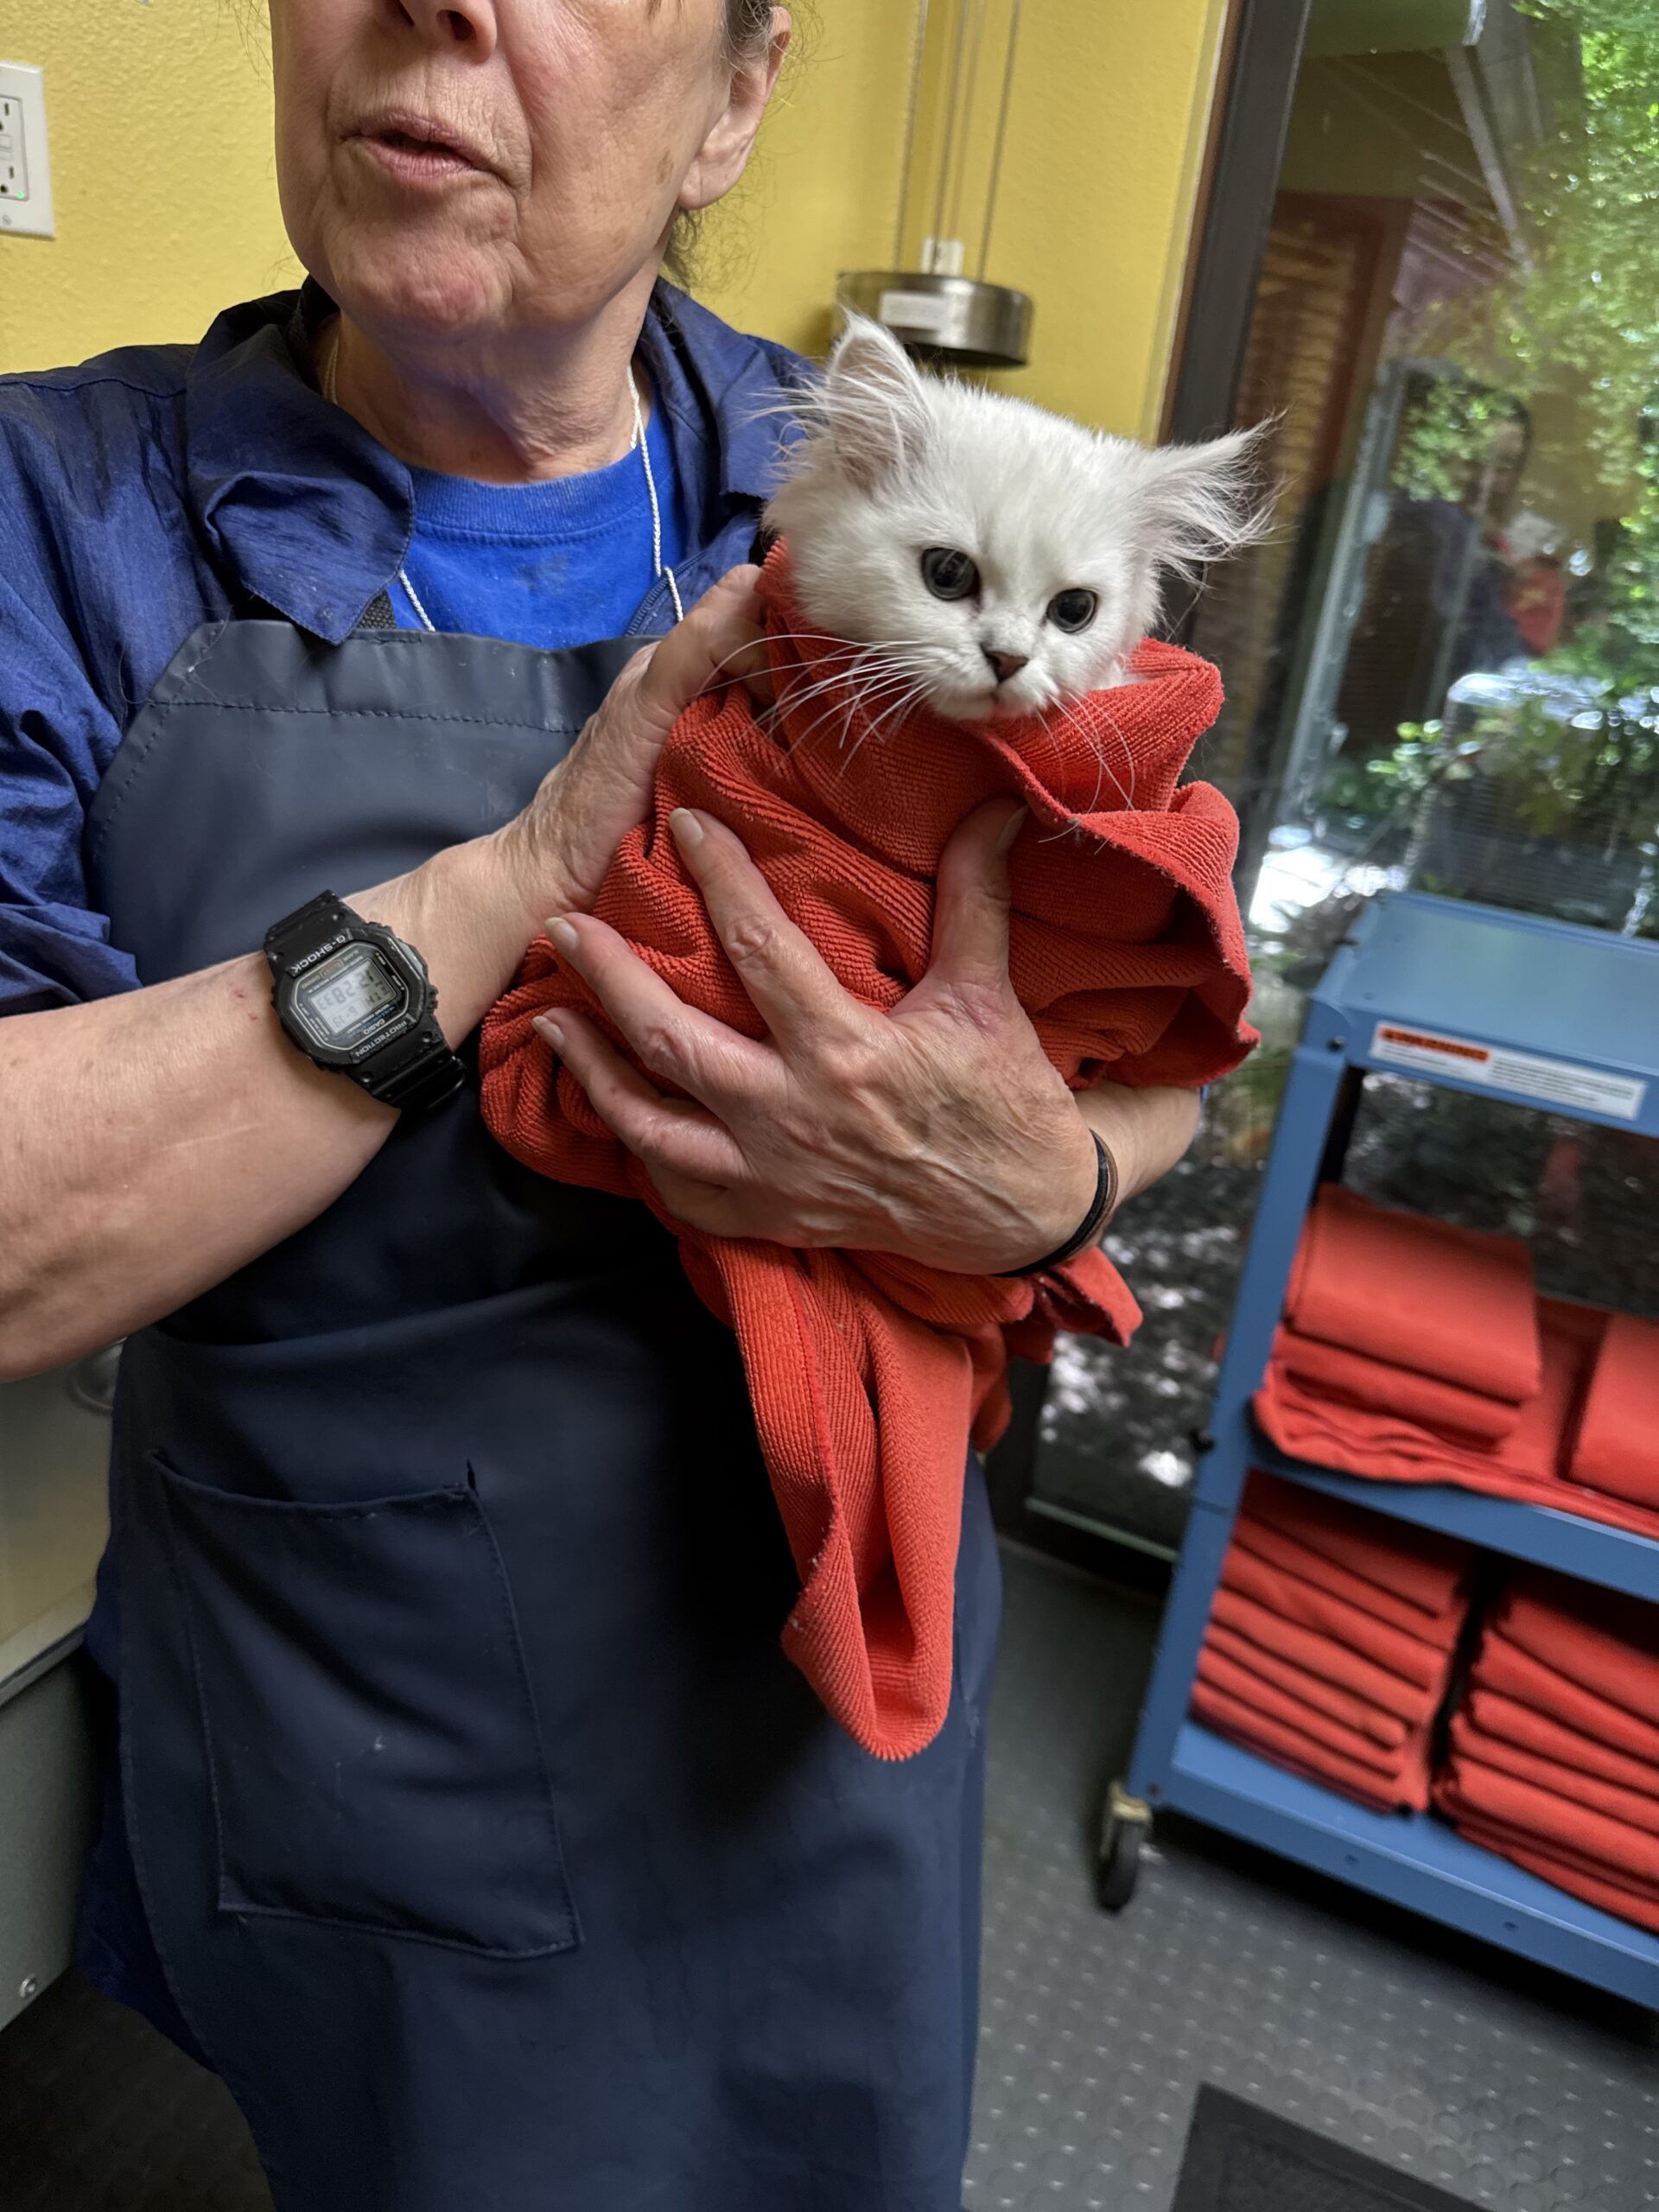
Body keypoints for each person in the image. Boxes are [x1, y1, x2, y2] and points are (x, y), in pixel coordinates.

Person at [0, 5, 1200, 2206]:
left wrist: (1038, 1189)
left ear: (738, 101)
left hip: (835, 1684)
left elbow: (1153, 1044)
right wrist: (512, 888)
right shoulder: (59, 518)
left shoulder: (884, 462)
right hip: (383, 1707)